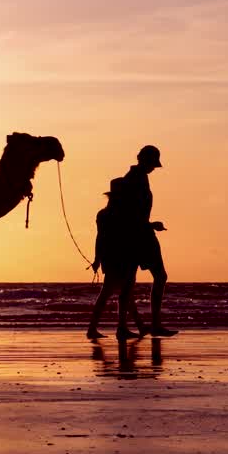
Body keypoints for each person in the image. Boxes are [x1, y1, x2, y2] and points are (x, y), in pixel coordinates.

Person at [89, 145, 177, 338]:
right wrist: (151, 225)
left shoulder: (136, 179)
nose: (152, 167)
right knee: (152, 278)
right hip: (139, 236)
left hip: (137, 235)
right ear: (142, 160)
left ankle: (129, 327)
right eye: (151, 163)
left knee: (129, 282)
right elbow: (130, 217)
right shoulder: (133, 181)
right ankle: (147, 325)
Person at [87, 183, 147, 339]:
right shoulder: (125, 214)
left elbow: (99, 238)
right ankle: (120, 328)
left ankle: (139, 326)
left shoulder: (102, 215)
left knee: (122, 293)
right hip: (124, 257)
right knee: (120, 293)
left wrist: (97, 259)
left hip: (109, 258)